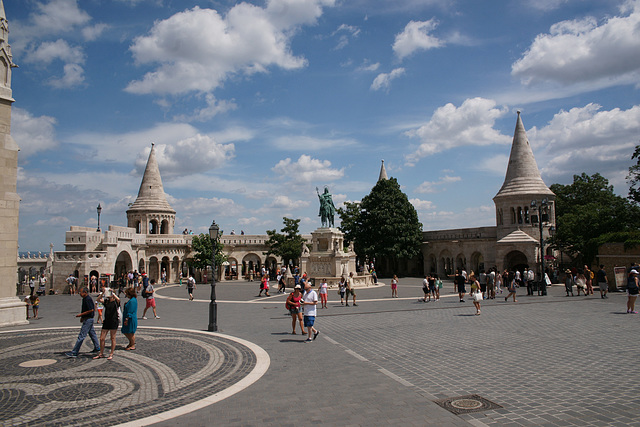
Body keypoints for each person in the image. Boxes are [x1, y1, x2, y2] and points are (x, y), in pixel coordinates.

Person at [66, 287, 100, 357]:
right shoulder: (85, 299)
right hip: (87, 318)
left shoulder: (87, 299)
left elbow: (91, 310)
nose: (80, 294)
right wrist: (82, 317)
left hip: (88, 319)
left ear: (85, 292)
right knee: (92, 334)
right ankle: (97, 347)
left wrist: (81, 315)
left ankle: (74, 352)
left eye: (81, 292)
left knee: (81, 336)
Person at [93, 289, 120, 360]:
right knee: (102, 338)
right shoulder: (106, 302)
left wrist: (113, 294)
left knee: (112, 338)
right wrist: (102, 293)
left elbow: (118, 299)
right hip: (106, 321)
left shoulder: (115, 302)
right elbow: (98, 300)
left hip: (114, 321)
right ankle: (101, 353)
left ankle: (111, 353)